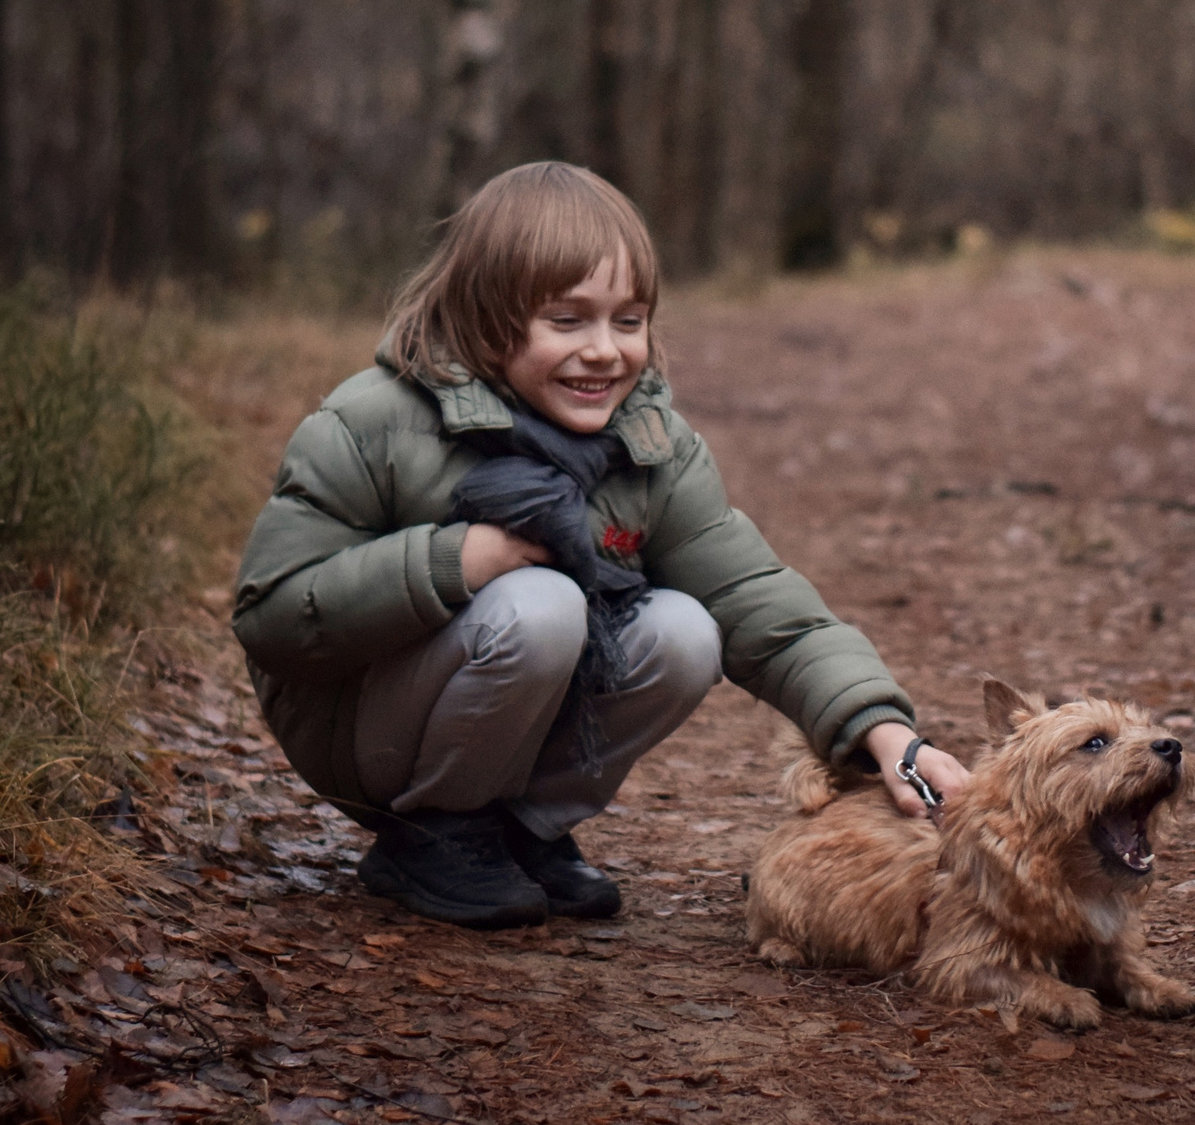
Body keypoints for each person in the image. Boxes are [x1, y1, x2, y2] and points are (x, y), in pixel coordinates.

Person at [230, 162, 969, 928]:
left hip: (490, 701)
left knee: (686, 631)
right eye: (567, 319)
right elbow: (272, 614)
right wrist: (453, 561)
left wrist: (892, 738)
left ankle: (521, 830)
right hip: (361, 729)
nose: (605, 351)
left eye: (628, 320)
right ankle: (434, 835)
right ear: (487, 320)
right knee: (542, 604)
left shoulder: (647, 445)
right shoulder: (374, 421)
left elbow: (757, 599)